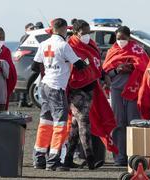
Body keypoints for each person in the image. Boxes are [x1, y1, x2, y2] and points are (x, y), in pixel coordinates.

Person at [31, 18, 88, 171]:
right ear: (63, 29)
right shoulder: (64, 46)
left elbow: (34, 66)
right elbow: (80, 65)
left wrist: (50, 68)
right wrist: (86, 62)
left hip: (44, 86)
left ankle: (39, 158)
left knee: (45, 122)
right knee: (60, 124)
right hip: (56, 88)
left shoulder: (43, 44)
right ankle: (53, 160)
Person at [61, 19, 110, 171]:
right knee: (84, 121)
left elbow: (95, 63)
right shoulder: (70, 46)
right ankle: (90, 159)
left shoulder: (91, 45)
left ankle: (68, 158)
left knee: (76, 125)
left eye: (89, 33)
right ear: (75, 33)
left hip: (89, 88)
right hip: (75, 88)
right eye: (84, 33)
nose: (87, 36)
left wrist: (102, 75)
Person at [102, 26, 149, 166]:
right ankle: (120, 157)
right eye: (118, 38)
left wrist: (133, 67)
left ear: (129, 38)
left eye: (123, 38)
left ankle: (134, 157)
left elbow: (145, 68)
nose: (121, 41)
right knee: (118, 123)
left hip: (134, 91)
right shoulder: (112, 51)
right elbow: (105, 73)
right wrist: (117, 70)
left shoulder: (138, 50)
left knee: (133, 122)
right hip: (116, 91)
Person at [18, 23, 35, 107]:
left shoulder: (27, 36)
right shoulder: (26, 37)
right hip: (26, 59)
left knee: (25, 79)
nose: (33, 30)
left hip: (25, 59)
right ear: (26, 29)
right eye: (31, 28)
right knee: (25, 79)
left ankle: (23, 100)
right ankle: (23, 100)